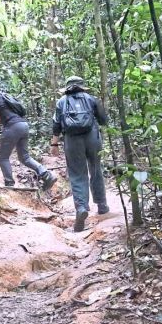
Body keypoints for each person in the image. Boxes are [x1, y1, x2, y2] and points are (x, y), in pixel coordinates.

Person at [50, 76, 110, 232]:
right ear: (82, 87)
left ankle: (81, 207)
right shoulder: (91, 99)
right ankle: (102, 205)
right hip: (92, 137)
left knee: (77, 173)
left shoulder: (61, 102)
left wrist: (54, 144)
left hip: (72, 140)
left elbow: (56, 125)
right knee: (95, 169)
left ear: (67, 88)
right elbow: (103, 120)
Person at [0, 78, 56, 190]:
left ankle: (9, 184)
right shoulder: (0, 93)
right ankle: (46, 175)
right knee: (25, 157)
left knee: (3, 157)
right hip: (23, 125)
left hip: (12, 126)